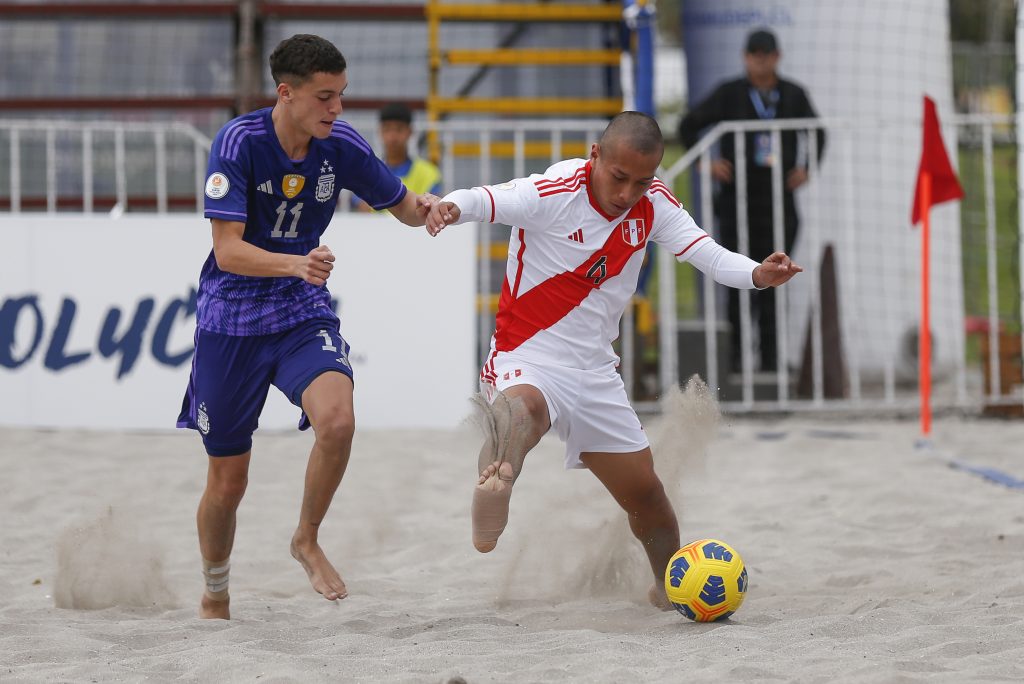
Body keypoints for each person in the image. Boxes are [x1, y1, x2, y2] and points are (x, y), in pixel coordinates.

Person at [425, 111, 802, 609]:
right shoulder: (554, 191)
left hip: (596, 373)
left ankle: (670, 590)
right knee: (525, 411)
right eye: (618, 177)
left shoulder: (654, 206)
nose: (627, 193)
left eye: (642, 181)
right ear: (595, 155)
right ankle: (498, 476)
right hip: (528, 355)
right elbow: (482, 199)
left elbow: (709, 255)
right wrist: (448, 208)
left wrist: (757, 273)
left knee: (647, 497)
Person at [176, 34, 438, 620]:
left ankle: (306, 538)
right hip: (233, 317)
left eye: (342, 95)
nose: (337, 109)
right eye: (325, 97)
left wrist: (439, 208)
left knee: (338, 421)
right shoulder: (239, 141)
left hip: (299, 309)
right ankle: (215, 590)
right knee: (227, 482)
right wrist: (296, 261)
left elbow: (399, 202)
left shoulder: (338, 143)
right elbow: (227, 252)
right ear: (286, 94)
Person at [678, 28, 825, 372]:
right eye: (755, 54)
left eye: (767, 54)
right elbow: (689, 125)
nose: (761, 60)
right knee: (738, 278)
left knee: (777, 280)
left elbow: (819, 132)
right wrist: (706, 163)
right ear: (746, 57)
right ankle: (737, 362)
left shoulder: (793, 95)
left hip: (780, 202)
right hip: (737, 201)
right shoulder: (729, 94)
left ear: (777, 57)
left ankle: (772, 363)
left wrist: (807, 167)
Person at [354, 102, 442, 211]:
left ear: (410, 132)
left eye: (399, 129)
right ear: (380, 132)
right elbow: (362, 211)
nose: (393, 136)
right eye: (387, 129)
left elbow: (432, 209)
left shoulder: (429, 173)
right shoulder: (367, 172)